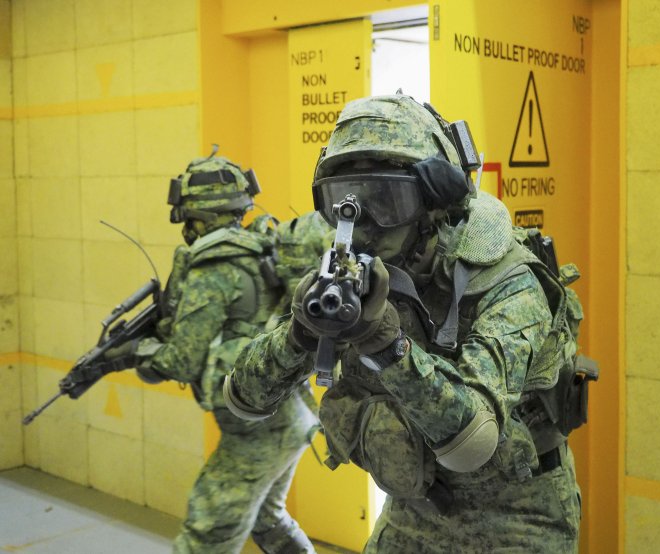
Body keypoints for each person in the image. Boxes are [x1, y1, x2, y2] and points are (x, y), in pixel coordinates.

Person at [224, 94, 593, 553]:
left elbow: (471, 442)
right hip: (411, 511)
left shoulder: (507, 280)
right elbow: (245, 398)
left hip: (517, 514)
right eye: (347, 201)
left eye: (388, 199)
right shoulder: (356, 271)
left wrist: (384, 344)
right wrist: (300, 332)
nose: (366, 226)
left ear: (436, 203)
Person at [108, 151, 319, 554]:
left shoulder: (213, 265)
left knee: (206, 532)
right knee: (269, 521)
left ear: (197, 215)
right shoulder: (259, 247)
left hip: (259, 431)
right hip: (290, 415)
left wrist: (138, 352)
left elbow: (181, 359)